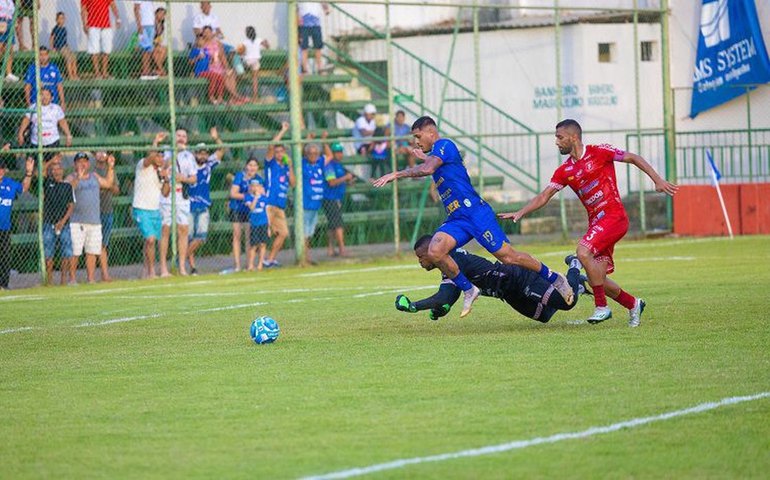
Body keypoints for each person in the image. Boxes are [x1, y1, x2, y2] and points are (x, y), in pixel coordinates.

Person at [372, 115, 573, 318]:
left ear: (431, 132)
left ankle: (555, 278)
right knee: (435, 250)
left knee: (509, 258)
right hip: (457, 218)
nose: (416, 141)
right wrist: (424, 157)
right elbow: (436, 164)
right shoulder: (437, 155)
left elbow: (428, 169)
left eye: (418, 136)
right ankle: (469, 289)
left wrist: (395, 174)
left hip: (475, 213)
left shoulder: (444, 144)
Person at [499, 119, 678, 326]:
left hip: (614, 217)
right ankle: (633, 304)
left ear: (573, 137)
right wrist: (521, 212)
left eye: (560, 137)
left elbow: (633, 157)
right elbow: (544, 196)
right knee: (598, 279)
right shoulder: (564, 171)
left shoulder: (599, 152)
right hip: (596, 224)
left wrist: (657, 180)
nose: (556, 142)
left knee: (583, 252)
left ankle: (601, 307)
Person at [395, 234, 588, 322]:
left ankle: (574, 266)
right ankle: (576, 286)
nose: (420, 261)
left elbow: (444, 297)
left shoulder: (454, 261)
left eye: (421, 256)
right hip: (509, 294)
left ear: (432, 251)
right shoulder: (449, 265)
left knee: (566, 304)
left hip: (518, 278)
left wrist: (414, 306)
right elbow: (449, 298)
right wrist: (440, 310)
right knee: (544, 316)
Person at [65, 152, 115, 284]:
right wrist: (78, 179)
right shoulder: (71, 177)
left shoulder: (94, 176)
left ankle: (91, 279)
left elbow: (108, 183)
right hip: (77, 221)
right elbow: (66, 191)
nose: (83, 164)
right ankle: (72, 279)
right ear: (75, 164)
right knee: (75, 252)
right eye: (79, 161)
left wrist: (110, 167)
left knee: (91, 251)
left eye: (85, 161)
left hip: (94, 220)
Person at [154, 130, 198, 277]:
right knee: (165, 229)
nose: (181, 138)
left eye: (184, 136)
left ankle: (182, 267)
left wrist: (182, 178)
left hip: (181, 194)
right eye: (178, 136)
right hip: (167, 193)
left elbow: (193, 178)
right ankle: (163, 268)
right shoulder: (166, 152)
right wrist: (173, 155)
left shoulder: (189, 156)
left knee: (183, 230)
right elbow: (162, 168)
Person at [187, 127, 224, 275]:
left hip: (203, 205)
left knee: (201, 237)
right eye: (200, 153)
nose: (202, 155)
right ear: (195, 154)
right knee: (188, 237)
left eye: (205, 153)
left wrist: (216, 138)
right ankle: (191, 267)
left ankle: (181, 258)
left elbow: (221, 150)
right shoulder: (189, 165)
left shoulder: (208, 165)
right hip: (189, 204)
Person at [132, 149, 170, 279]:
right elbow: (150, 158)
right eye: (157, 156)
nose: (160, 159)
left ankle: (146, 271)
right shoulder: (143, 165)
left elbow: (165, 193)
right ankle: (152, 271)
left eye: (162, 157)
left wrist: (166, 179)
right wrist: (155, 142)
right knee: (150, 239)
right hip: (141, 208)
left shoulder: (159, 172)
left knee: (150, 241)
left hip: (155, 209)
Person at [262, 122, 293, 268]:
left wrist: (291, 166)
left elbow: (293, 183)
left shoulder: (286, 166)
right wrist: (283, 131)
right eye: (277, 151)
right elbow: (271, 146)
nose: (279, 153)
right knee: (263, 233)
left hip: (280, 206)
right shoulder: (271, 163)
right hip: (269, 203)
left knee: (283, 233)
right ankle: (256, 262)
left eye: (282, 151)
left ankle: (270, 259)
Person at [0, 157, 34, 289]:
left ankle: (3, 285)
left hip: (5, 228)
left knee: (5, 257)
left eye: (2, 168)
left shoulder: (9, 183)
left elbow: (24, 188)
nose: (0, 171)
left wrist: (29, 173)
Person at [17, 88, 73, 163]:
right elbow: (26, 120)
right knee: (36, 166)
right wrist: (20, 133)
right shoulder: (33, 107)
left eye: (47, 95)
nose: (44, 97)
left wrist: (68, 135)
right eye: (42, 94)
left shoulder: (56, 108)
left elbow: (62, 122)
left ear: (52, 97)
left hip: (52, 141)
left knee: (53, 164)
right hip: (36, 141)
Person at [42, 162, 75, 286]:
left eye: (58, 169)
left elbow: (71, 206)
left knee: (66, 251)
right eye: (53, 169)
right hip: (48, 223)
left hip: (63, 224)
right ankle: (49, 280)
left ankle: (63, 279)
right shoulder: (47, 184)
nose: (56, 171)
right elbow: (40, 172)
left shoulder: (67, 186)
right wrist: (51, 161)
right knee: (48, 252)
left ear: (63, 171)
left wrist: (62, 221)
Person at [228, 157, 262, 272]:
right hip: (237, 208)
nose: (252, 168)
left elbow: (261, 193)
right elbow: (233, 193)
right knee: (237, 235)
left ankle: (249, 264)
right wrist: (248, 196)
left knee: (249, 237)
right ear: (246, 166)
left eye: (255, 165)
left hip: (249, 210)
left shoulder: (258, 179)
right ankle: (237, 265)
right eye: (250, 165)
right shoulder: (239, 176)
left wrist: (254, 196)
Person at [321, 139, 354, 257]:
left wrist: (348, 180)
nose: (339, 154)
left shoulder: (339, 165)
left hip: (337, 198)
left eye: (340, 151)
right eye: (337, 152)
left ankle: (330, 249)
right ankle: (342, 249)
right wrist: (346, 178)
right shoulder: (329, 165)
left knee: (332, 225)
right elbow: (331, 182)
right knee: (338, 224)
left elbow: (339, 181)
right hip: (330, 198)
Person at [200, 26, 247, 105]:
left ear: (212, 33)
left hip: (220, 66)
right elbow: (202, 55)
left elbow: (223, 57)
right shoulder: (203, 43)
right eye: (205, 32)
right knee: (224, 76)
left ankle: (232, 99)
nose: (207, 34)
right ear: (203, 34)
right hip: (210, 68)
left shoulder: (217, 43)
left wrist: (227, 68)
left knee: (231, 74)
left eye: (209, 32)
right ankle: (238, 97)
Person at [95, 151, 120, 282]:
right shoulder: (91, 169)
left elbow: (116, 189)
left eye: (104, 152)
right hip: (93, 213)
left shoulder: (110, 170)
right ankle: (92, 276)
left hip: (107, 210)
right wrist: (105, 184)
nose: (101, 154)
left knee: (103, 244)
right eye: (99, 152)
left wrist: (107, 185)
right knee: (93, 246)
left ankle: (105, 275)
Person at [81, 0, 121, 79]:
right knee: (94, 50)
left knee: (107, 49)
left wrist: (118, 18)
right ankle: (97, 73)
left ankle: (105, 73)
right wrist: (84, 24)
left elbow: (113, 5)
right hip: (93, 25)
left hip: (106, 25)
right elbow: (83, 9)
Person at [302, 142, 326, 264]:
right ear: (306, 154)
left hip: (316, 205)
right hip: (306, 204)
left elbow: (330, 156)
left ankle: (306, 256)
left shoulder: (319, 163)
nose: (313, 155)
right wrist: (307, 140)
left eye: (316, 153)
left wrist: (324, 141)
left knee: (309, 233)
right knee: (304, 233)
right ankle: (304, 258)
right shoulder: (303, 164)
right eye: (310, 153)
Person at [298, 2, 330, 74]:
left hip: (315, 20)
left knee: (318, 46)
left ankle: (320, 68)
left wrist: (326, 8)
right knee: (304, 46)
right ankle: (305, 69)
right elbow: (296, 5)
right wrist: (298, 17)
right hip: (303, 20)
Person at [239, 26, 270, 102]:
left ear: (247, 34)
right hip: (256, 61)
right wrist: (266, 42)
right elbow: (267, 46)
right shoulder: (258, 40)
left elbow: (241, 51)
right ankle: (255, 96)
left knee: (241, 67)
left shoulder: (245, 41)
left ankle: (242, 74)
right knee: (255, 79)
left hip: (247, 61)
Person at [245, 179, 269, 271]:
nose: (255, 188)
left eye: (257, 186)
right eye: (253, 186)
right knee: (254, 245)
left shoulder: (264, 198)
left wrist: (269, 226)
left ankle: (260, 264)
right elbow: (251, 207)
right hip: (254, 224)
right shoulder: (248, 197)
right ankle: (250, 265)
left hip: (263, 223)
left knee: (263, 244)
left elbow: (267, 211)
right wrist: (255, 197)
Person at [134, 1, 161, 79]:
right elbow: (136, 9)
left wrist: (156, 24)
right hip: (144, 25)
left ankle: (147, 70)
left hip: (151, 25)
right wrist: (139, 24)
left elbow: (151, 12)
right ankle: (145, 71)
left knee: (149, 49)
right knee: (145, 48)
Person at [50, 12, 80, 81]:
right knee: (68, 58)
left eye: (63, 18)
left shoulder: (64, 29)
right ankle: (70, 75)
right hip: (59, 47)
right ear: (57, 20)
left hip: (65, 46)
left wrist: (68, 47)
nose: (61, 20)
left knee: (74, 57)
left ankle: (75, 74)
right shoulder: (55, 29)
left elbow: (64, 40)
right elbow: (51, 38)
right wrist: (52, 48)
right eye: (60, 18)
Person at [0, 0, 17, 82]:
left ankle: (9, 73)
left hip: (10, 22)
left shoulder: (10, 1)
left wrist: (14, 21)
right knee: (0, 47)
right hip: (1, 21)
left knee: (10, 49)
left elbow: (12, 13)